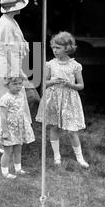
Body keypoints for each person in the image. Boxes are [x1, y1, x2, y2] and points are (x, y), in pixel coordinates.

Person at [0, 0, 37, 153]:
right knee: (5, 102)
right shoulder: (5, 23)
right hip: (6, 67)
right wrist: (17, 73)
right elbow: (8, 50)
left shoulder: (10, 20)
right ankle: (1, 141)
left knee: (11, 103)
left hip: (9, 64)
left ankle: (7, 137)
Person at [36, 31, 89, 168]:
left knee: (72, 131)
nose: (54, 50)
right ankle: (56, 156)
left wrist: (70, 84)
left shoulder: (75, 66)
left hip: (69, 100)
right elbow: (44, 83)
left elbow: (81, 85)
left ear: (67, 48)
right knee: (54, 127)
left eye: (58, 48)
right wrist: (52, 81)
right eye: (53, 47)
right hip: (53, 99)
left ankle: (80, 157)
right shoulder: (50, 64)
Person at [0, 76, 35, 179]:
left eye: (20, 84)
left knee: (18, 149)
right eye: (14, 84)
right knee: (8, 151)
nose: (18, 86)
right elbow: (3, 116)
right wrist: (5, 131)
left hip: (19, 126)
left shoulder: (21, 95)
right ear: (7, 85)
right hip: (9, 127)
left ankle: (18, 169)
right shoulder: (5, 99)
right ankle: (5, 172)